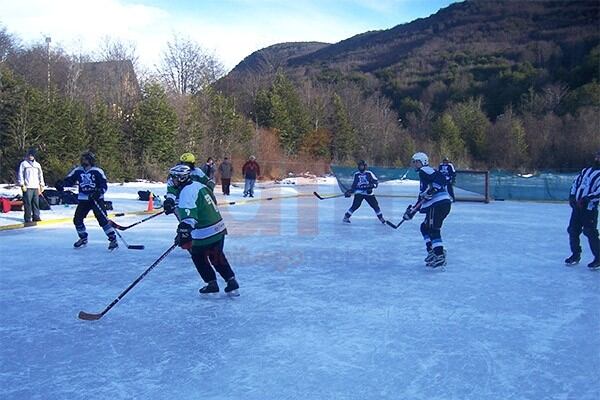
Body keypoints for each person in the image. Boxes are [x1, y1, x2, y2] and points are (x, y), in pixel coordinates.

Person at [169, 165, 240, 295]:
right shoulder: (197, 185)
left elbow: (189, 218)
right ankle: (231, 281)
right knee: (216, 256)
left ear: (181, 178)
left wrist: (183, 232)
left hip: (204, 232)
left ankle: (211, 283)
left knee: (198, 256)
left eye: (173, 177)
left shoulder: (186, 192)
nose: (171, 180)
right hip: (218, 227)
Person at [56, 152, 117, 250]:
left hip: (96, 200)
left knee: (102, 220)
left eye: (86, 159)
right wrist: (61, 184)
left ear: (91, 161)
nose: (83, 161)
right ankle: (83, 238)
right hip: (84, 199)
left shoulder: (97, 171)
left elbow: (104, 185)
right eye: (83, 159)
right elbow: (69, 180)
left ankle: (112, 239)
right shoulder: (78, 171)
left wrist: (99, 192)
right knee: (77, 219)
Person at [404, 152, 452, 268]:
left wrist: (434, 189)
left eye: (417, 162)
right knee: (424, 227)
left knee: (433, 229)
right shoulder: (423, 176)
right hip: (437, 204)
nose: (415, 164)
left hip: (438, 203)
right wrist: (412, 211)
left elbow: (442, 178)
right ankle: (432, 251)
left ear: (423, 162)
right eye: (414, 162)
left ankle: (439, 255)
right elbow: (422, 197)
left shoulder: (425, 170)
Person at [565, 151, 600, 270]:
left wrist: (586, 199)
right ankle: (575, 255)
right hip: (577, 208)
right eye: (597, 156)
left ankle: (598, 258)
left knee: (590, 232)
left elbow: (598, 192)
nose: (597, 158)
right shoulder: (586, 171)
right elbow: (576, 183)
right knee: (573, 230)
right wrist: (572, 196)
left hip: (589, 209)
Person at [342, 160, 386, 224]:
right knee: (355, 205)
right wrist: (350, 191)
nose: (361, 167)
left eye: (362, 166)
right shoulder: (356, 174)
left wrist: (371, 187)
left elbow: (376, 183)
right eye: (360, 166)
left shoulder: (369, 173)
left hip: (368, 193)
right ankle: (346, 217)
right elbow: (354, 185)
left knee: (375, 206)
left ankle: (381, 218)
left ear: (365, 166)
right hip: (359, 193)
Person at [17, 148, 45, 224]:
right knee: (27, 203)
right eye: (29, 155)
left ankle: (36, 216)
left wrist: (41, 184)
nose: (30, 157)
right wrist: (22, 184)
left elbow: (40, 175)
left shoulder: (37, 165)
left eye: (32, 155)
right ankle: (27, 217)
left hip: (35, 186)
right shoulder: (24, 164)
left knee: (36, 202)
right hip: (27, 186)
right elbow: (20, 174)